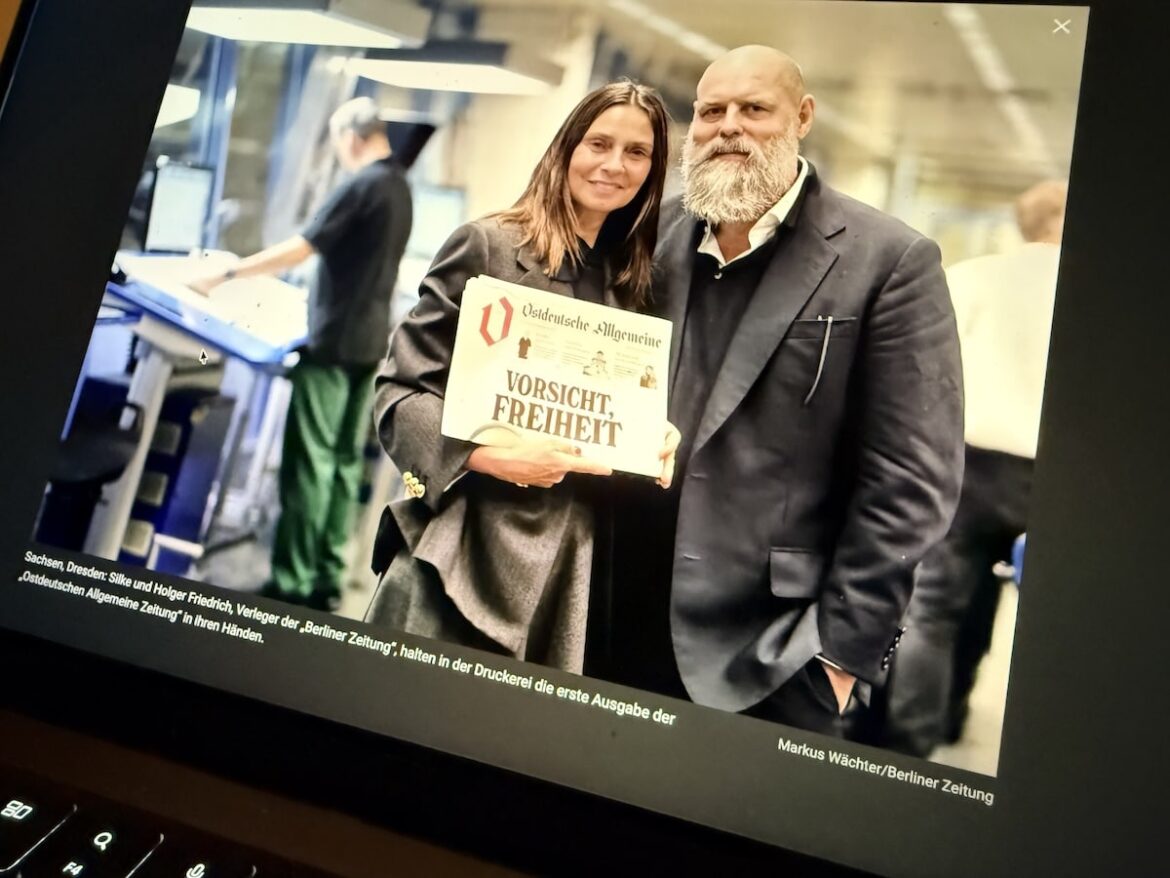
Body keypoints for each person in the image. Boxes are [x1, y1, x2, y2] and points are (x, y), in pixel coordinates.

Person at [605, 45, 964, 740]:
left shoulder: (889, 262)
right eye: (711, 111)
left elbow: (913, 482)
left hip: (775, 657)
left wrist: (842, 658)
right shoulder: (649, 233)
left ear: (802, 118)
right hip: (615, 621)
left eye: (754, 108)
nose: (728, 127)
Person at [364, 82, 676, 673]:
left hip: (565, 567)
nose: (614, 164)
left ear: (653, 172)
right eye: (599, 143)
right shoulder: (490, 246)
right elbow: (398, 394)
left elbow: (605, 410)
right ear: (565, 148)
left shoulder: (633, 285)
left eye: (637, 153)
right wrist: (484, 455)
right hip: (461, 550)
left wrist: (650, 436)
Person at [191, 96, 413, 610]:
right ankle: (325, 579)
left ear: (351, 138)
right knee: (338, 466)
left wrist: (225, 274)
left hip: (333, 344)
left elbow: (302, 246)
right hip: (367, 344)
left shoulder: (362, 184)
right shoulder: (399, 187)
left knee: (309, 464)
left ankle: (290, 583)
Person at [875, 180, 1067, 756]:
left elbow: (925, 372)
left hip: (969, 467)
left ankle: (916, 743)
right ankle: (977, 723)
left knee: (933, 609)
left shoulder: (978, 277)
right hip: (1050, 479)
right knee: (1022, 613)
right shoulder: (1107, 291)